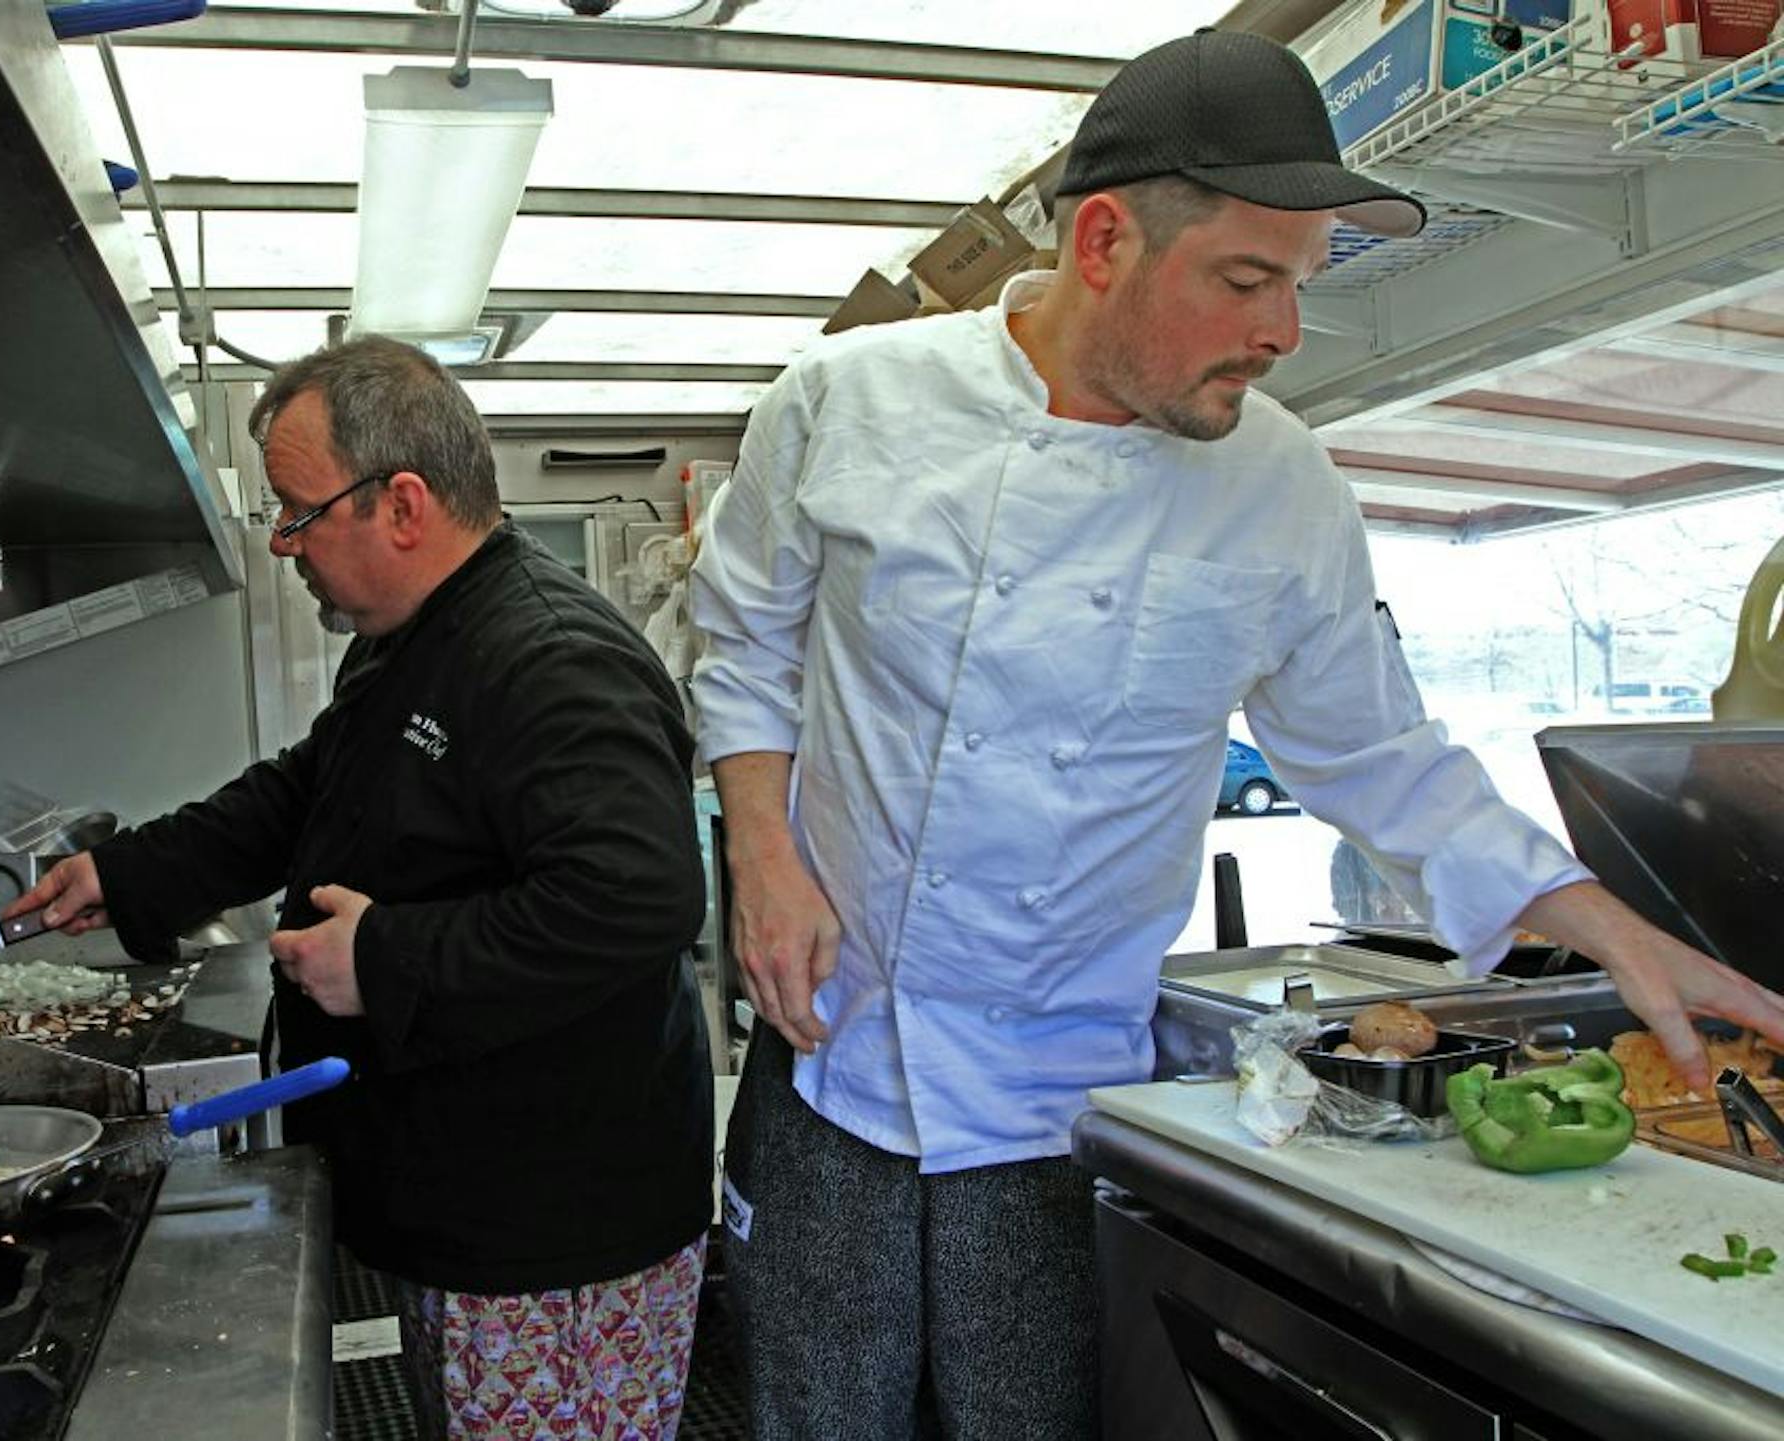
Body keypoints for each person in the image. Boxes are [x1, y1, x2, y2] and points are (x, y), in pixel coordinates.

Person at [689, 29, 1784, 1441]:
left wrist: (1611, 924)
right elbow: (746, 639)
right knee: (812, 1421)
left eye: (1304, 285)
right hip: (826, 1055)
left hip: (1061, 1087)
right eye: (1246, 280)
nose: (1282, 332)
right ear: (1103, 242)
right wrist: (766, 855)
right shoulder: (849, 402)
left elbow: (1384, 759)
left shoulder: (1286, 491)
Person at [6, 337, 714, 1441]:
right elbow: (306, 792)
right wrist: (130, 870)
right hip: (458, 1200)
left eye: (297, 513)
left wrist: (381, 960)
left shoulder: (551, 655)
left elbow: (637, 899)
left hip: (550, 1231)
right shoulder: (403, 640)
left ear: (403, 503)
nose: (285, 544)